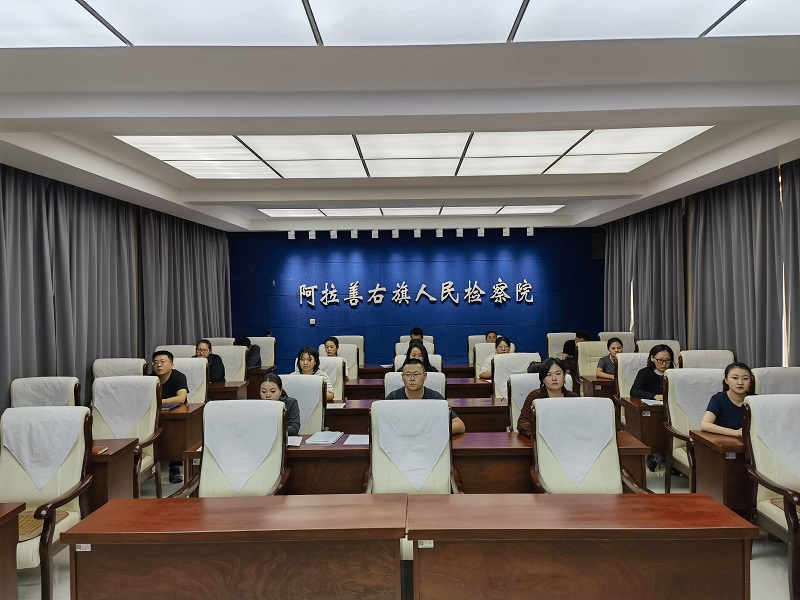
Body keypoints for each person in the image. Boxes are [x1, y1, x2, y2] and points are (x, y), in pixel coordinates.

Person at [386, 358, 465, 434]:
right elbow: (382, 425)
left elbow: (459, 425)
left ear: (425, 376)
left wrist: (428, 431)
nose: (412, 378)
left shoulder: (435, 398)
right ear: (402, 377)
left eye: (416, 374)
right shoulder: (392, 398)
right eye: (407, 374)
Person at [631, 344, 674, 471]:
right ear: (652, 358)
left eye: (667, 360)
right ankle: (654, 453)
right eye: (660, 360)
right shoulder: (645, 373)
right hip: (651, 409)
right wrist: (654, 396)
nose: (664, 364)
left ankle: (670, 456)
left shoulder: (675, 373)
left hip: (672, 409)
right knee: (654, 425)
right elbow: (634, 391)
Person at [151, 350, 188, 484]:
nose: (158, 365)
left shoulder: (179, 377)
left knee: (175, 431)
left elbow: (181, 398)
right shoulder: (150, 379)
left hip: (176, 414)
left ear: (171, 364)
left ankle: (175, 466)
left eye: (162, 362)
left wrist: (159, 401)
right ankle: (150, 465)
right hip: (155, 414)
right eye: (155, 362)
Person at [517, 358, 579, 437]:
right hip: (542, 439)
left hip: (568, 438)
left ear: (564, 376)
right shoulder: (534, 397)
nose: (554, 378)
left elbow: (580, 422)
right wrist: (538, 434)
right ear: (543, 379)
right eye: (549, 375)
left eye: (558, 374)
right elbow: (522, 423)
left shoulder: (573, 398)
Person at [700, 362, 753, 438]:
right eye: (735, 378)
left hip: (750, 443)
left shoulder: (755, 399)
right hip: (721, 442)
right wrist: (736, 433)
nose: (740, 382)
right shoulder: (718, 399)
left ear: (750, 381)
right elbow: (705, 425)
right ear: (726, 380)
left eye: (745, 378)